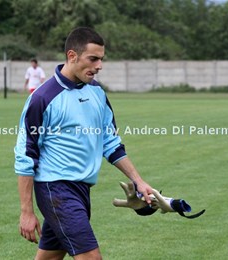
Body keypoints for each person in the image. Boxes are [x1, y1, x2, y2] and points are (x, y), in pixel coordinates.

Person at [14, 27, 153, 260]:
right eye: (93, 59)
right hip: (55, 188)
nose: (99, 66)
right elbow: (26, 156)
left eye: (101, 59)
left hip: (81, 189)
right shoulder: (42, 98)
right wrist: (26, 211)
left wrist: (138, 181)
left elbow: (111, 143)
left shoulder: (97, 92)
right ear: (72, 56)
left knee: (50, 256)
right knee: (91, 256)